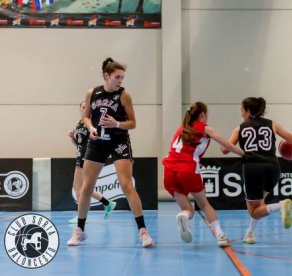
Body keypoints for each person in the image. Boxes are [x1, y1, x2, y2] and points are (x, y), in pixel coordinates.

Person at [67, 57, 154, 248]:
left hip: (118, 141)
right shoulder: (93, 93)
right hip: (97, 142)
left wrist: (116, 124)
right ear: (106, 76)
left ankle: (143, 231)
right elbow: (87, 117)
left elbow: (133, 123)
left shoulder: (124, 96)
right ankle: (80, 230)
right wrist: (91, 128)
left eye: (122, 77)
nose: (120, 81)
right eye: (117, 77)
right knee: (86, 187)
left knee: (126, 185)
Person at [162, 102, 244, 247]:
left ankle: (183, 216)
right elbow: (228, 145)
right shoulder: (204, 128)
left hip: (169, 171)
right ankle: (220, 235)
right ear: (202, 115)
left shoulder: (181, 129)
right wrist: (245, 155)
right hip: (187, 169)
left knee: (188, 210)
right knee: (205, 205)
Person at [221, 97, 292, 244]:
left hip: (253, 168)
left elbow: (225, 149)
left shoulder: (240, 128)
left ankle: (281, 205)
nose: (240, 113)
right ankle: (250, 233)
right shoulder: (273, 125)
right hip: (273, 167)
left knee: (254, 211)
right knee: (260, 204)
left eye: (242, 110)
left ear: (248, 111)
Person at [67, 101, 117, 224]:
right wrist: (72, 138)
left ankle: (82, 215)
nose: (84, 109)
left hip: (87, 157)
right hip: (79, 156)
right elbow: (79, 144)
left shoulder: (91, 123)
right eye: (82, 107)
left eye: (86, 107)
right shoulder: (79, 124)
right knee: (82, 187)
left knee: (79, 187)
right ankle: (107, 202)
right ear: (79, 109)